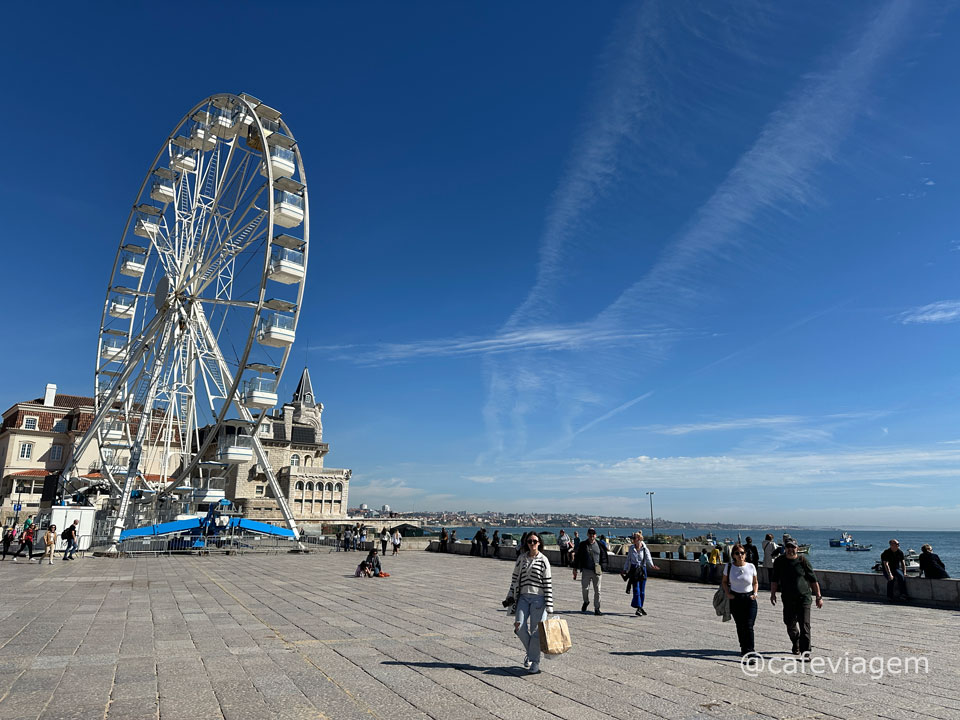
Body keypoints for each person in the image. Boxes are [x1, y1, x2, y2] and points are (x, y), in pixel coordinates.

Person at [504, 531, 553, 675]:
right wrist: (509, 597)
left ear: (539, 543)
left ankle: (535, 662)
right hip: (523, 598)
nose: (532, 544)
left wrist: (549, 605)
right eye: (530, 541)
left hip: (539, 599)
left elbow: (548, 583)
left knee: (537, 632)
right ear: (526, 543)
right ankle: (531, 653)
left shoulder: (544, 560)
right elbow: (514, 579)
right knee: (519, 627)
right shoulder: (521, 559)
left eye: (535, 541)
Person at [770, 538, 823, 658]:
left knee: (805, 625)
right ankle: (796, 641)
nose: (790, 550)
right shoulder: (779, 561)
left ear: (797, 549)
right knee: (789, 623)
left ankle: (806, 652)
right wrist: (773, 594)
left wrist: (818, 597)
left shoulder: (803, 561)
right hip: (788, 599)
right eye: (788, 547)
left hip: (804, 598)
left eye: (792, 547)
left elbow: (813, 580)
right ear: (785, 548)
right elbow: (774, 579)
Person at [722, 543, 759, 660]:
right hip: (736, 599)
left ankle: (750, 651)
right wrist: (728, 594)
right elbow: (724, 582)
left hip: (749, 599)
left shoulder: (751, 567)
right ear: (733, 555)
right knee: (740, 625)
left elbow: (755, 582)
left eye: (742, 553)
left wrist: (755, 593)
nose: (740, 555)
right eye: (737, 553)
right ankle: (744, 648)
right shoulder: (729, 567)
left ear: (745, 554)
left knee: (749, 626)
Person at [572, 528, 608, 616]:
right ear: (588, 535)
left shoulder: (600, 545)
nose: (592, 536)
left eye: (593, 534)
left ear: (595, 535)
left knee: (597, 590)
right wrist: (575, 568)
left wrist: (603, 566)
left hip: (597, 571)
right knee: (585, 588)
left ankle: (597, 608)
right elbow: (577, 557)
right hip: (586, 570)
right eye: (590, 534)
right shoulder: (583, 545)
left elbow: (604, 556)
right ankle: (586, 601)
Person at [624, 532, 660, 616]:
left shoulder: (644, 549)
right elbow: (628, 559)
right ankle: (639, 608)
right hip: (634, 570)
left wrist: (652, 566)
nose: (632, 540)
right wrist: (625, 569)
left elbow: (648, 558)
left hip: (642, 570)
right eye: (632, 538)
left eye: (634, 538)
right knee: (636, 589)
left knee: (642, 591)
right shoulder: (631, 548)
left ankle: (640, 607)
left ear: (639, 539)